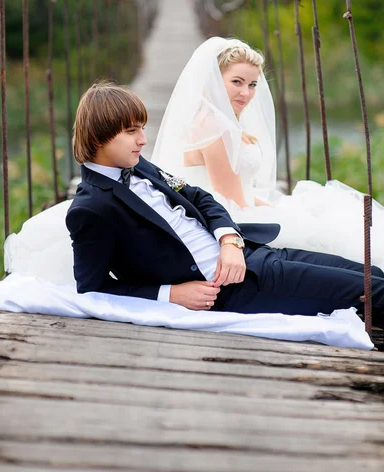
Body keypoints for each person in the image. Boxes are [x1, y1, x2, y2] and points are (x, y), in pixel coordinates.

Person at [65, 80, 384, 326]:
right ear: (98, 139)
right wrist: (172, 294)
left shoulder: (137, 165)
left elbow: (199, 197)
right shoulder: (91, 209)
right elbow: (91, 288)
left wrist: (229, 240)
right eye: (131, 131)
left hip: (253, 252)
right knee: (374, 294)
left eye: (142, 129)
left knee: (374, 274)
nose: (143, 140)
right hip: (239, 288)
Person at [151, 36, 384, 269]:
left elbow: (238, 190)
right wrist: (284, 212)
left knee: (327, 208)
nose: (246, 93)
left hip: (236, 206)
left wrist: (278, 206)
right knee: (327, 224)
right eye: (237, 82)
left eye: (252, 85)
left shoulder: (220, 121)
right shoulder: (212, 126)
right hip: (226, 219)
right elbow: (229, 196)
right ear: (214, 80)